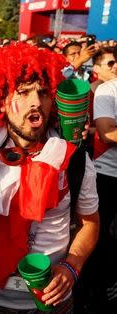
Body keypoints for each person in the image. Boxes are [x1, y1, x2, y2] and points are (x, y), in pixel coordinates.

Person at [0, 43, 99, 313]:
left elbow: (90, 223)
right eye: (23, 93)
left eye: (43, 93)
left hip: (51, 304)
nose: (35, 101)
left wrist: (71, 266)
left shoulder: (74, 160)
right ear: (2, 99)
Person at [87, 74, 117, 310]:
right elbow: (108, 132)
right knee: (102, 235)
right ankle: (99, 287)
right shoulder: (109, 90)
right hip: (107, 176)